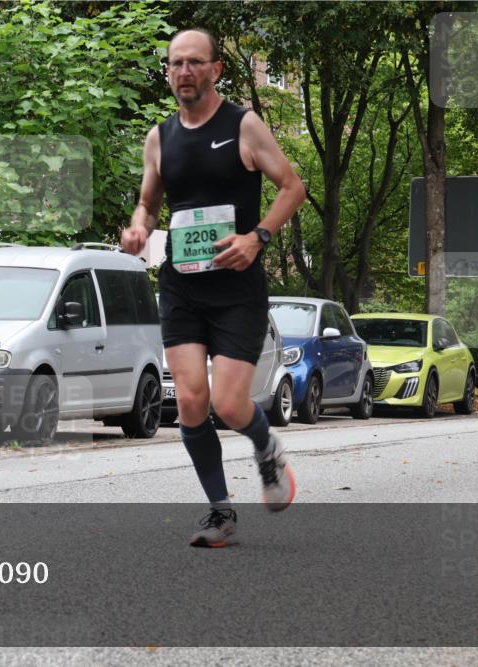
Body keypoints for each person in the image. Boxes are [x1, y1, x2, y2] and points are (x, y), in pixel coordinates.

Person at [121, 29, 307, 547]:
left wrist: (258, 237)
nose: (184, 72)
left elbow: (293, 187)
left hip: (238, 288)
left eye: (194, 63)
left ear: (216, 69)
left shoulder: (244, 125)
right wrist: (139, 227)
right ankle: (220, 511)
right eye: (175, 64)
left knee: (229, 403)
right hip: (182, 286)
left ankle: (266, 448)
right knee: (190, 403)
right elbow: (149, 203)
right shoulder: (159, 137)